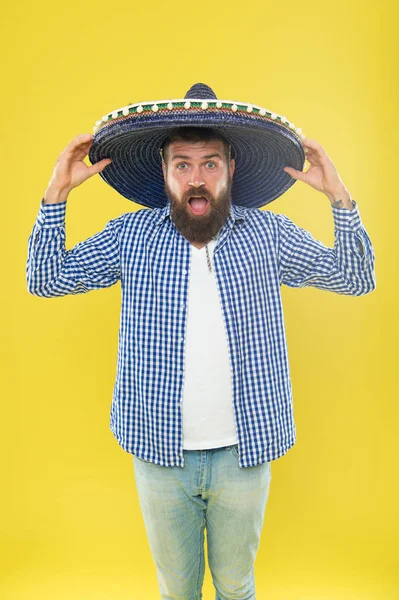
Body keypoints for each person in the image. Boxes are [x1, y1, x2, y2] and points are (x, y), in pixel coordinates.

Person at [26, 83, 376, 600]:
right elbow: (46, 277)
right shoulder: (132, 236)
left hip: (245, 451)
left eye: (210, 164)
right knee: (177, 590)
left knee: (236, 586)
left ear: (231, 169)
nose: (197, 178)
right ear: (164, 173)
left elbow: (355, 276)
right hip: (158, 451)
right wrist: (57, 192)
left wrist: (339, 197)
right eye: (183, 164)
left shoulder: (268, 234)